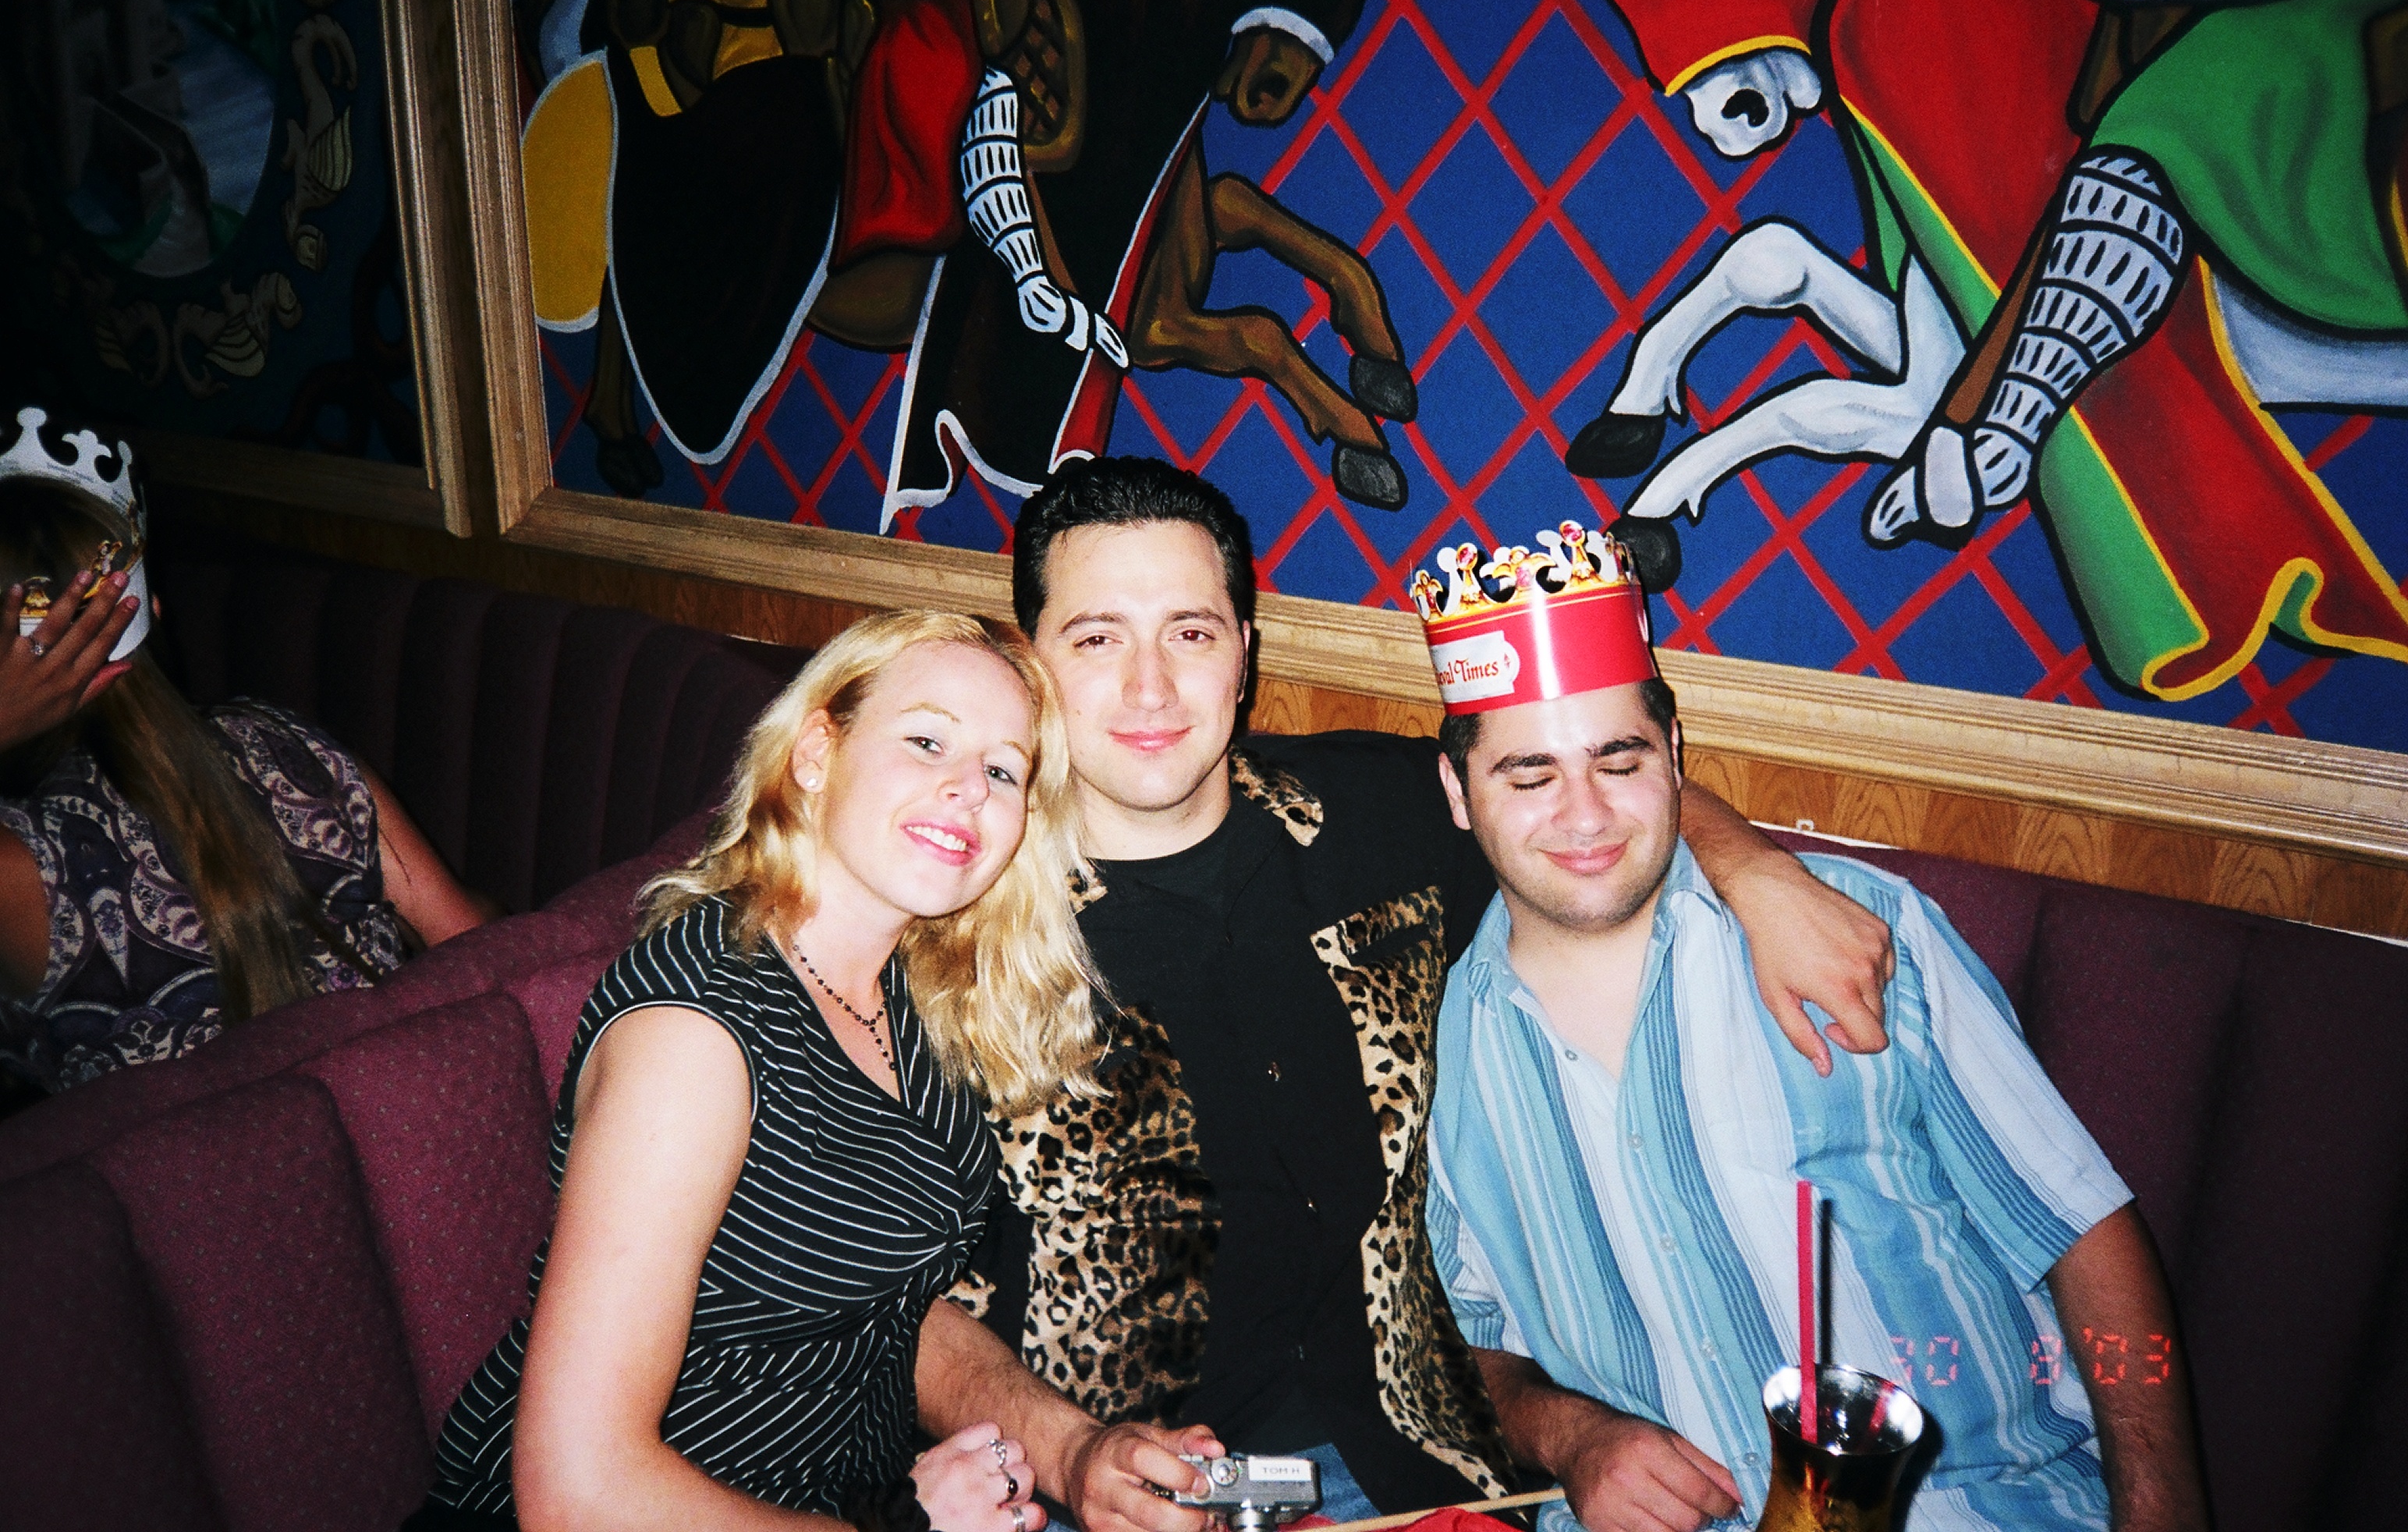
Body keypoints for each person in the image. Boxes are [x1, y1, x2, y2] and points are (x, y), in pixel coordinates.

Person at [909, 458, 1902, 1532]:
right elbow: (889, 1303)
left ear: (1244, 651)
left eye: (1190, 632)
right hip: (1125, 1493)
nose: (1150, 687)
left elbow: (1591, 790)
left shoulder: (1377, 816)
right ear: (1033, 665)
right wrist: (1070, 1452)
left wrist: (1756, 872)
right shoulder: (947, 925)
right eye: (1098, 638)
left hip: (1426, 1471)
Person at [1419, 523, 2211, 1530]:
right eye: (1529, 777)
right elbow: (1467, 1342)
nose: (1585, 816)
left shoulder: (1859, 934)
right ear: (1458, 792)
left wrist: (2159, 1503)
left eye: (1618, 761)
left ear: (1674, 755)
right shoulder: (1439, 1048)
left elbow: (2082, 1228)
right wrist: (1570, 1435)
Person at [417, 610, 1103, 1532]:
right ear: (817, 753)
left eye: (1003, 769)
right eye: (927, 740)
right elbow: (575, 1493)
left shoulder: (908, 994)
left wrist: (1076, 1452)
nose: (968, 789)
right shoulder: (695, 1028)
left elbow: (883, 1306)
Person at [0, 409, 491, 1104]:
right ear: (153, 612)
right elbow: (475, 942)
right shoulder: (284, 746)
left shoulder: (20, 859)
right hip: (403, 1127)